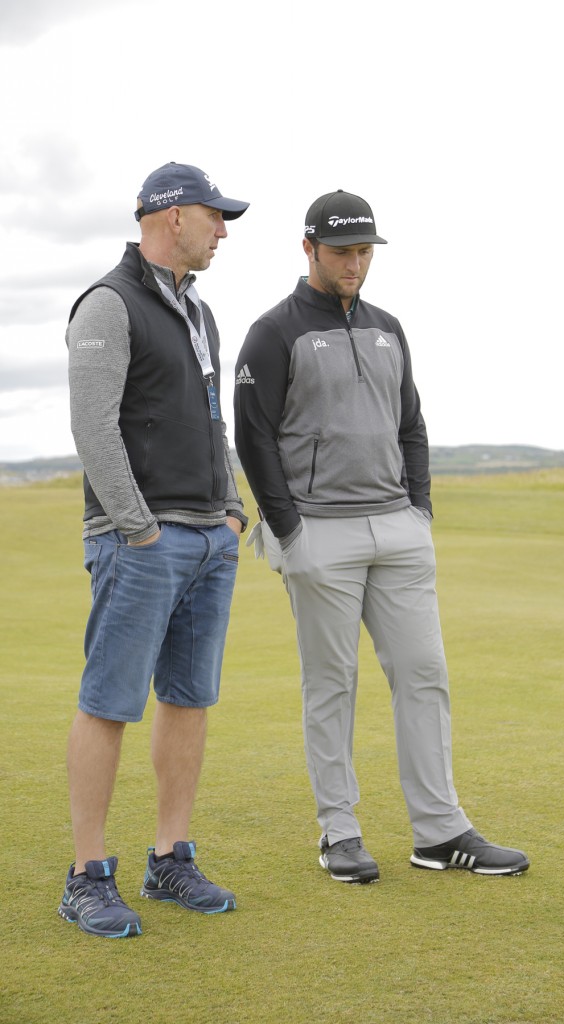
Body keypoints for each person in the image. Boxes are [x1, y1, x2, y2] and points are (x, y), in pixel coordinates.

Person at [233, 189, 529, 884]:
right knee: (331, 684)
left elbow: (411, 426)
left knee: (424, 676)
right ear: (308, 249)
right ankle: (339, 832)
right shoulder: (273, 332)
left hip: (397, 529)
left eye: (364, 251)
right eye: (341, 251)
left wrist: (417, 511)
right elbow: (253, 438)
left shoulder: (388, 327)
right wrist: (288, 532)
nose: (354, 264)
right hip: (318, 532)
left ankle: (439, 832)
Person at [60, 162, 249, 937]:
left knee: (188, 699)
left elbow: (213, 420)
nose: (223, 231)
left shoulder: (199, 312)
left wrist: (233, 509)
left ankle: (169, 857)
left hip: (210, 537)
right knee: (110, 701)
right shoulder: (109, 303)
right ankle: (86, 875)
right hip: (141, 541)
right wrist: (138, 528)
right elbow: (92, 429)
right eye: (215, 217)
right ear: (174, 217)